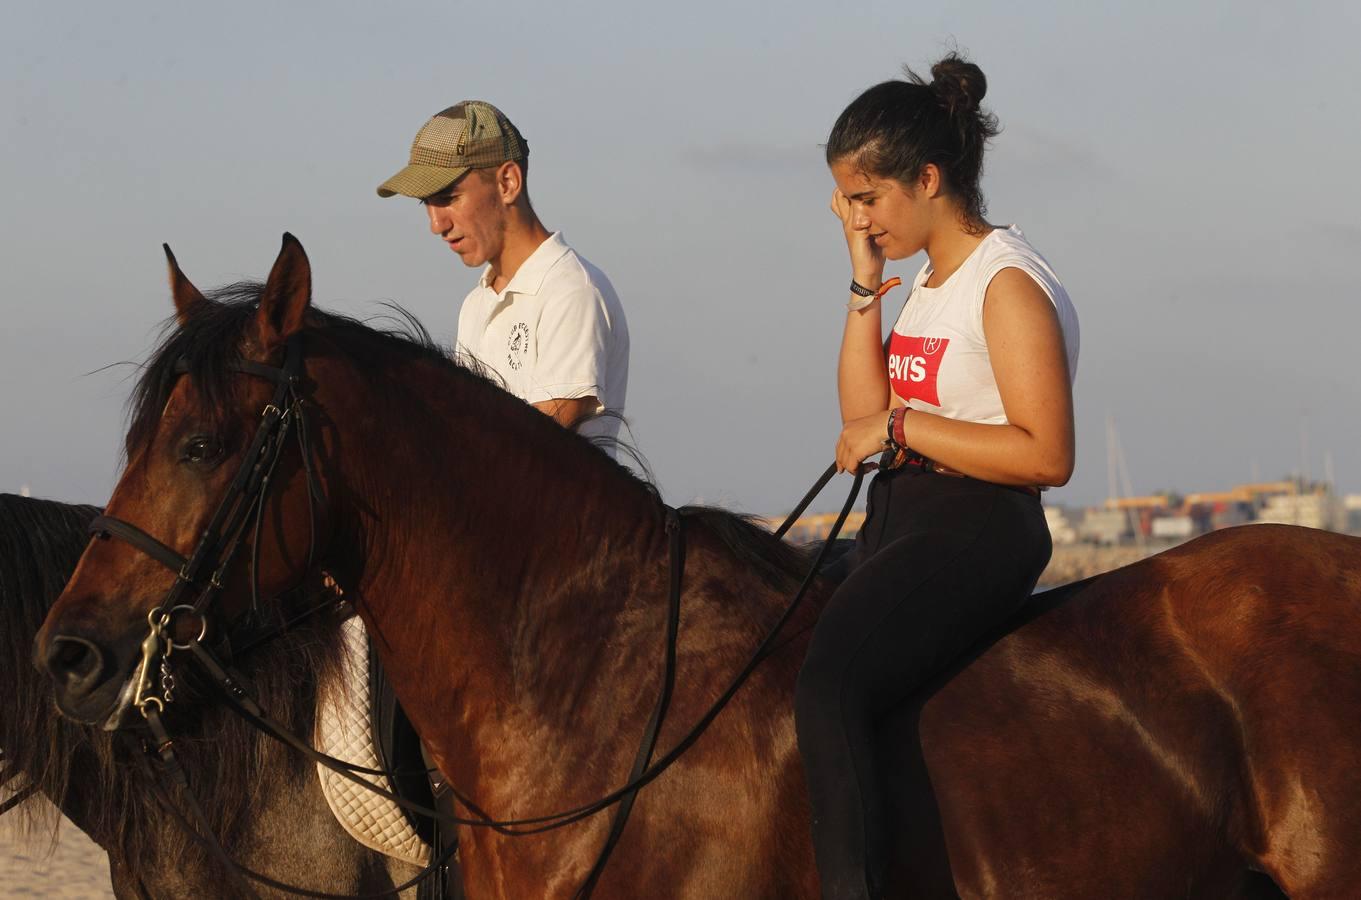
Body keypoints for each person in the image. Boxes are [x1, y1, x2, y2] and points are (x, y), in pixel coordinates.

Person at [793, 54, 1080, 899]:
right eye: (847, 199)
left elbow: (1046, 454)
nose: (856, 215)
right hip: (903, 515)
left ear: (927, 178)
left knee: (830, 685)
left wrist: (900, 426)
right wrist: (862, 284)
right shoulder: (925, 284)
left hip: (979, 525)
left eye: (867, 198)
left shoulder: (1005, 285)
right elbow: (861, 414)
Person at [377, 100, 629, 443]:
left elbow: (541, 449)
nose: (436, 224)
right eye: (427, 204)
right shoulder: (476, 304)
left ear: (508, 182)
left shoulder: (570, 290)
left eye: (449, 197)